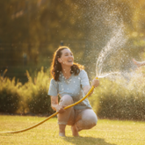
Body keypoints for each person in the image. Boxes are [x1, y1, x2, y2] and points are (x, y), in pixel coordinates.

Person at [48, 46, 100, 137]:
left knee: (92, 120)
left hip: (83, 110)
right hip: (68, 114)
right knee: (67, 98)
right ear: (59, 59)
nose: (70, 57)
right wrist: (57, 107)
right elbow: (53, 103)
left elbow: (87, 92)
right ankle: (61, 132)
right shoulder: (55, 80)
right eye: (66, 55)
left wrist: (92, 86)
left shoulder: (81, 73)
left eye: (71, 54)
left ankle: (75, 128)